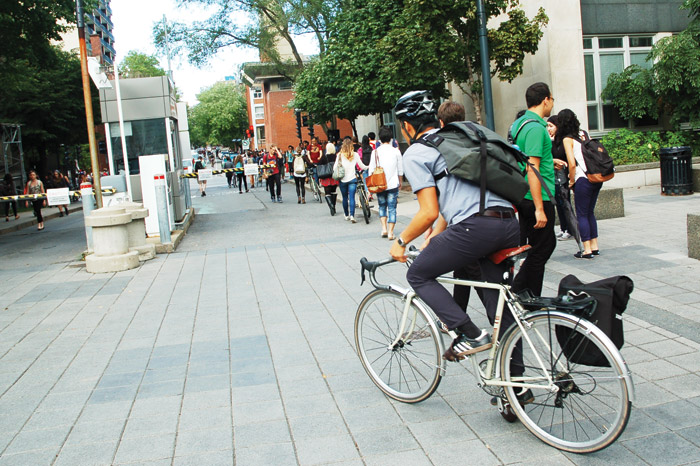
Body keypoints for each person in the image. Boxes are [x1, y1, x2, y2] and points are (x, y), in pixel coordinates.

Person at [389, 90, 521, 368]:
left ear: (408, 126)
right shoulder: (457, 140)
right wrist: (438, 232)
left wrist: (401, 241)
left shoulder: (417, 152)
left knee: (419, 273)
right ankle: (517, 388)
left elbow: (428, 211)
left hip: (477, 228)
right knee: (498, 305)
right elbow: (461, 194)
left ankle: (469, 334)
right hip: (509, 221)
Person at [435, 100, 483, 316]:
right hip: (482, 210)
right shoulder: (475, 138)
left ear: (441, 122)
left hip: (467, 218)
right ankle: (457, 314)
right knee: (463, 270)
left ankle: (501, 320)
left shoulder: (446, 145)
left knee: (474, 271)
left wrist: (435, 230)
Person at [510, 82, 557, 297]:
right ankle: (521, 291)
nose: (552, 103)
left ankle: (529, 293)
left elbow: (528, 159)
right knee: (543, 248)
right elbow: (532, 168)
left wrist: (550, 160)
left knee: (535, 248)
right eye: (552, 99)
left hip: (524, 194)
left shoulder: (519, 124)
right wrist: (540, 207)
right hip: (538, 197)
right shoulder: (536, 128)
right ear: (545, 99)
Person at [558, 109, 601, 259]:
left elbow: (571, 163)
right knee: (590, 212)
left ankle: (587, 250)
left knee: (581, 213)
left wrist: (571, 181)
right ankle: (594, 246)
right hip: (595, 177)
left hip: (582, 179)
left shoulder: (567, 139)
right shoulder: (584, 133)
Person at [368, 126, 403, 238]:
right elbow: (400, 169)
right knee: (392, 208)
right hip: (392, 184)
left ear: (380, 138)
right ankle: (391, 232)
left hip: (379, 184)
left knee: (382, 206)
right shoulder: (396, 151)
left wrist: (371, 186)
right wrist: (400, 181)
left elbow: (371, 169)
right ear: (391, 137)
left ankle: (383, 228)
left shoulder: (375, 152)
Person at [547, 115, 572, 241]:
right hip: (555, 177)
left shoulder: (564, 140)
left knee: (565, 203)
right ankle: (563, 228)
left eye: (551, 126)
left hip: (564, 177)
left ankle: (569, 229)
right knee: (559, 203)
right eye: (547, 126)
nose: (548, 129)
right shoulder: (553, 141)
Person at [334, 138, 368, 223]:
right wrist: (369, 166)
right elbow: (362, 166)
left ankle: (346, 215)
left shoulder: (339, 155)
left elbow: (334, 167)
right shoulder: (355, 155)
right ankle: (352, 215)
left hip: (343, 179)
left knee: (345, 198)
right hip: (352, 178)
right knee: (352, 197)